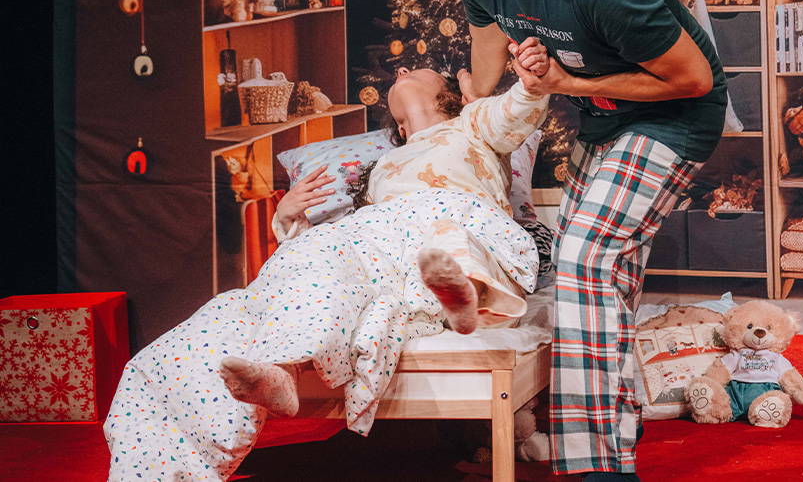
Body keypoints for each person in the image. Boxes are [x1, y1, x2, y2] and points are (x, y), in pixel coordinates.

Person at [105, 55, 549, 482]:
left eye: (416, 69)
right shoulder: (383, 168)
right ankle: (282, 370)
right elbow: (353, 259)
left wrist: (525, 83)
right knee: (312, 259)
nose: (402, 69)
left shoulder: (471, 123)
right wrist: (291, 219)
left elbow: (514, 112)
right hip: (384, 233)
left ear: (449, 96)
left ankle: (467, 296)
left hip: (453, 218)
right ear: (398, 127)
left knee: (447, 240)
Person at [458, 0, 727, 480]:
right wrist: (466, 118)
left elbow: (694, 79)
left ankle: (598, 466)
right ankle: (620, 415)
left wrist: (566, 83)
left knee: (586, 256)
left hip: (675, 118)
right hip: (605, 121)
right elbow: (485, 67)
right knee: (602, 273)